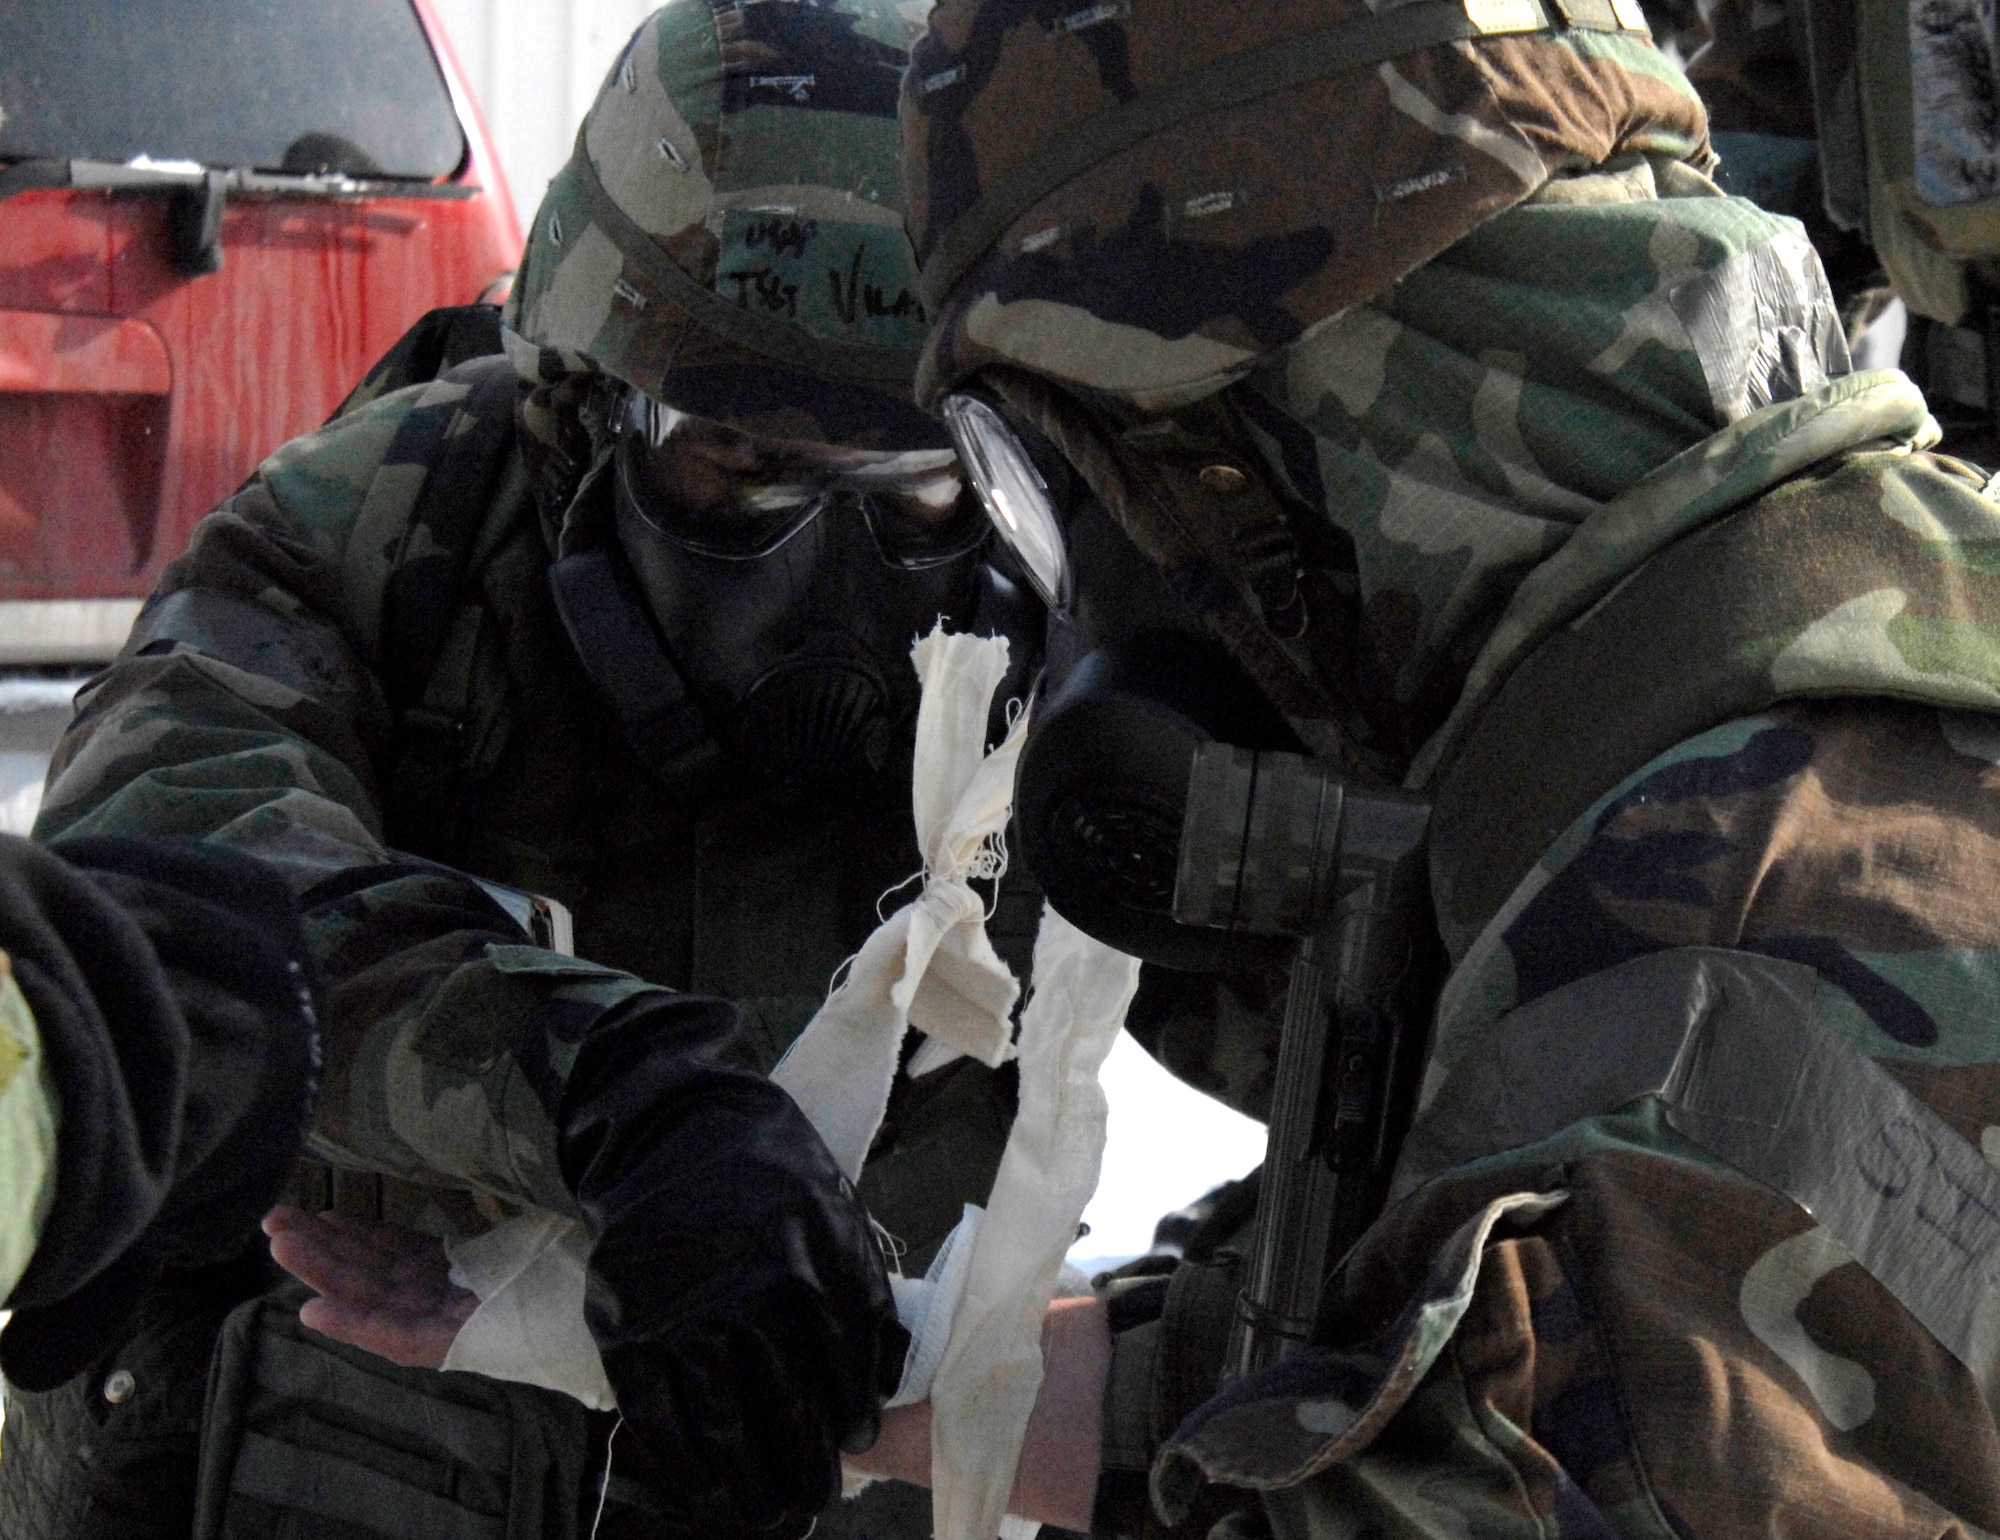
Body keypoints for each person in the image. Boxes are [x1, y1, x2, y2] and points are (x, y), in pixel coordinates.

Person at [894, 1, 2000, 1536]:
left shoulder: (1705, 934)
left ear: (1233, 453)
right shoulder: (1859, 643)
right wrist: (902, 1379)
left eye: (1048, 475)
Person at [1, 5, 1044, 1539]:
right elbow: (177, 876)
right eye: (741, 463)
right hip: (337, 1439)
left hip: (831, 1452)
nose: (830, 559)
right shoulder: (375, 535)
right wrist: (607, 1083)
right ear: (588, 395)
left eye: (905, 477)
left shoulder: (1045, 609)